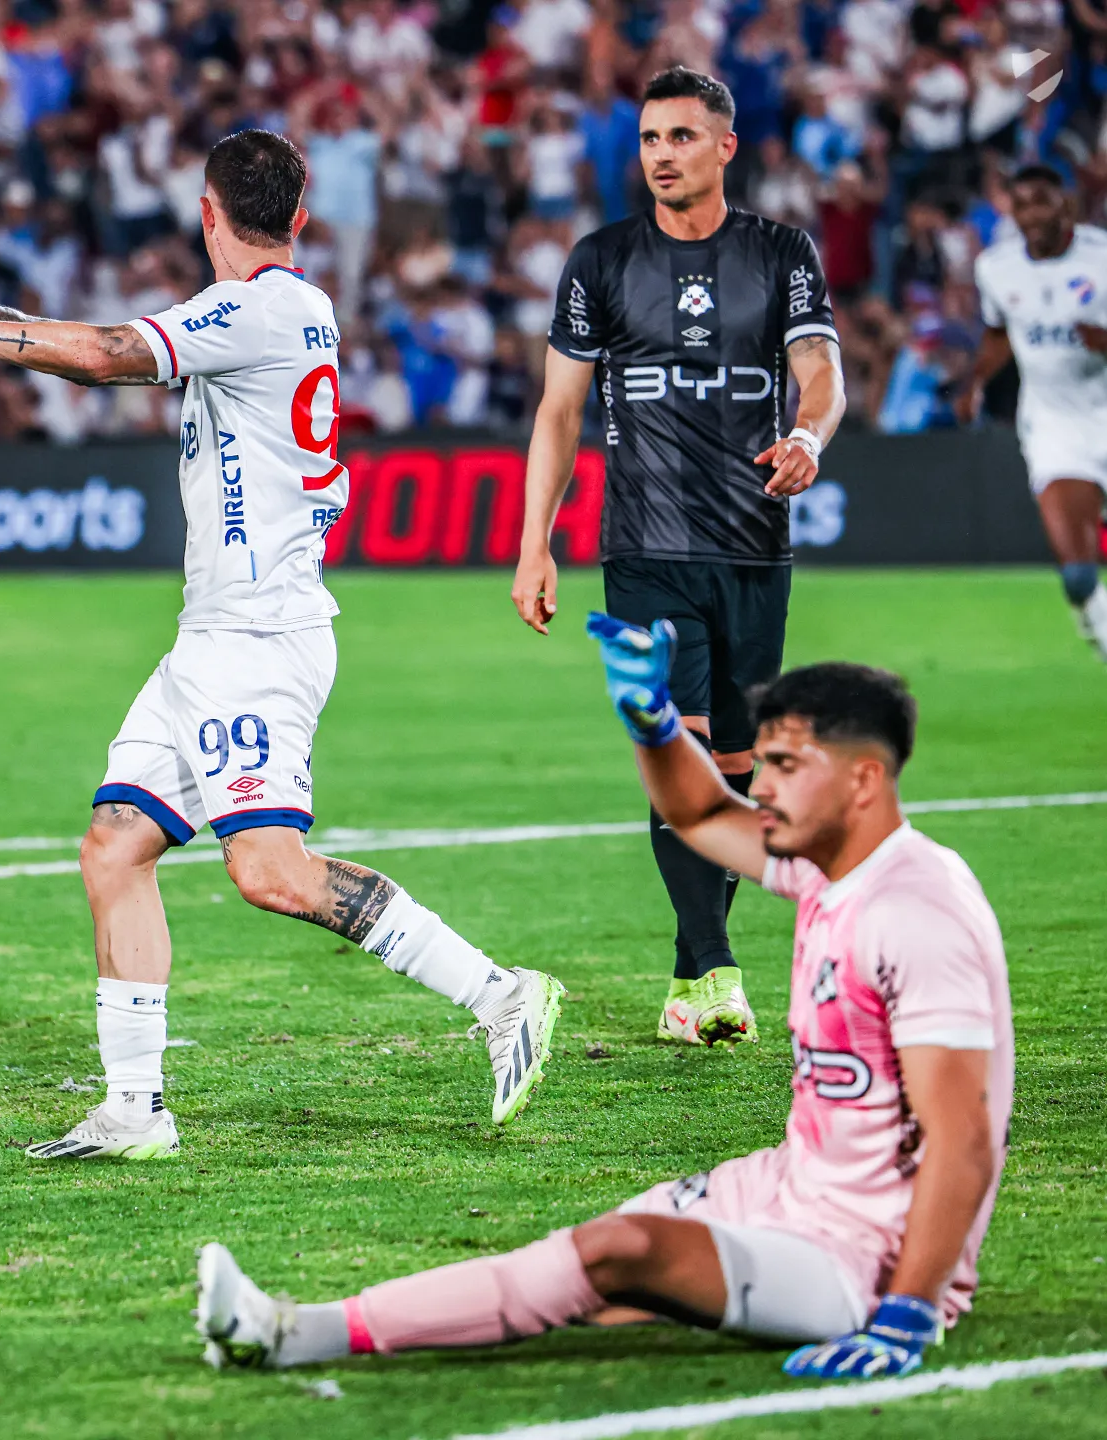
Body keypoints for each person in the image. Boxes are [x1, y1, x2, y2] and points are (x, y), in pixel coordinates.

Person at [0, 129, 566, 1159]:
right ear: (300, 217)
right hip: (213, 639)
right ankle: (133, 1109)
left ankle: (500, 994)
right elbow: (111, 352)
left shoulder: (256, 310)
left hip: (258, 639)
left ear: (206, 213)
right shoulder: (270, 310)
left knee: (270, 871)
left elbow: (106, 355)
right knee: (116, 845)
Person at [197, 623, 1012, 1383]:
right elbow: (700, 811)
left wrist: (909, 1310)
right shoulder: (828, 861)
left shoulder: (917, 911)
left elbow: (965, 1138)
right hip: (792, 1188)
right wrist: (655, 722)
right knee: (585, 1271)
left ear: (864, 779)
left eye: (786, 767)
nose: (761, 786)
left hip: (870, 1253)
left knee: (614, 1254)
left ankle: (293, 1334)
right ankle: (289, 1330)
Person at [511, 66, 848, 1048]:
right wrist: (535, 543)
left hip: (753, 548)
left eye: (682, 137)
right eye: (651, 138)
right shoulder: (601, 260)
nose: (662, 155)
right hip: (645, 548)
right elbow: (560, 411)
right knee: (680, 748)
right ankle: (716, 970)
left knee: (736, 767)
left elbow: (820, 371)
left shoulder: (780, 253)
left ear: (725, 147)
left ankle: (686, 977)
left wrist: (809, 436)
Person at [959, 165, 1107, 662]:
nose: (1031, 215)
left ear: (1065, 203)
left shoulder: (1102, 257)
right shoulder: (996, 268)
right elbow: (1000, 332)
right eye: (1021, 205)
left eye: (1041, 201)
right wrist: (976, 383)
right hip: (1056, 425)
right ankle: (1095, 620)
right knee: (1079, 575)